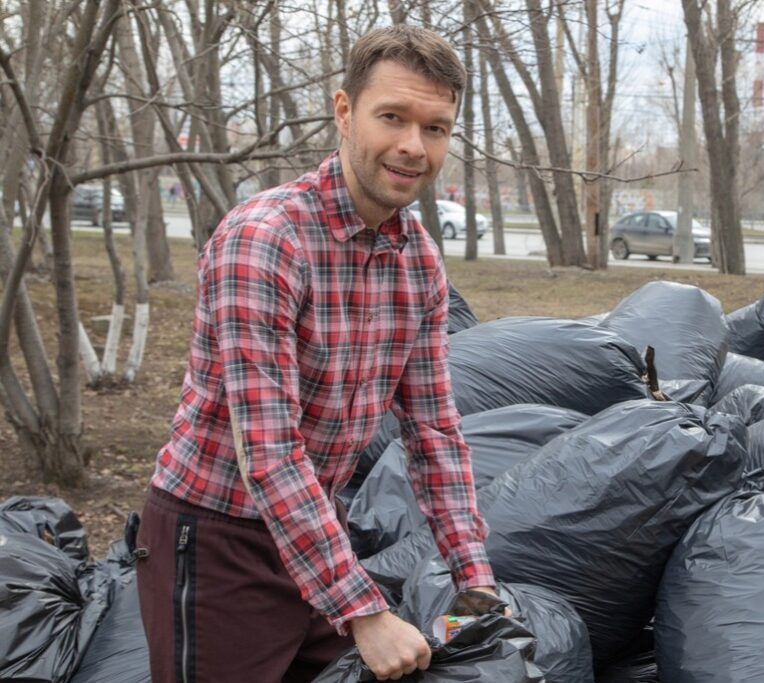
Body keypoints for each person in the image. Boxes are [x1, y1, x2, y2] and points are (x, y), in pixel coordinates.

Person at [135, 25, 497, 683]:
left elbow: (435, 432)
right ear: (344, 111)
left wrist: (474, 579)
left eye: (436, 128)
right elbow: (269, 451)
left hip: (318, 532)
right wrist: (363, 611)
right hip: (219, 541)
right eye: (392, 117)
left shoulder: (418, 261)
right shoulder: (265, 240)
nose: (413, 147)